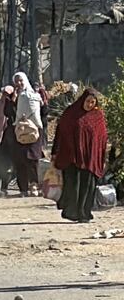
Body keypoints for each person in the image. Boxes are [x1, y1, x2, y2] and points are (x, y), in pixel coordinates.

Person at [53, 89, 107, 223]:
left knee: (88, 185)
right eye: (87, 101)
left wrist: (100, 156)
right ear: (82, 100)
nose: (89, 105)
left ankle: (84, 213)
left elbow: (102, 137)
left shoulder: (97, 115)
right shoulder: (71, 113)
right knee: (73, 185)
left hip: (90, 158)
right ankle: (72, 212)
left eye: (92, 102)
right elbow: (60, 133)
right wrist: (55, 152)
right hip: (72, 157)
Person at [12, 72, 44, 197]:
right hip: (20, 131)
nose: (19, 83)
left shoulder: (33, 96)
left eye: (20, 80)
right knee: (20, 160)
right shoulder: (18, 96)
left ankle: (34, 185)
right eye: (16, 81)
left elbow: (44, 112)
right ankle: (23, 188)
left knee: (32, 159)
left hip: (34, 131)